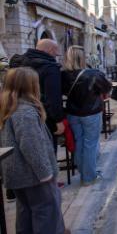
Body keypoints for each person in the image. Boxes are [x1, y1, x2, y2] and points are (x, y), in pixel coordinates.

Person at [0, 67, 66, 234]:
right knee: (46, 212)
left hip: (18, 173)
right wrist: (45, 174)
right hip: (33, 175)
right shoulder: (25, 112)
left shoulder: (9, 107)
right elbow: (31, 146)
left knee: (26, 213)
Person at [61, 46, 112, 186]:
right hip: (91, 112)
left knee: (79, 142)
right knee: (90, 143)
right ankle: (88, 177)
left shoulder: (63, 75)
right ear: (83, 57)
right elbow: (107, 88)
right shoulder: (93, 73)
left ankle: (84, 171)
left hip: (73, 113)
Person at [9, 39, 65, 153]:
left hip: (16, 112)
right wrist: (58, 120)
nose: (56, 56)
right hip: (44, 116)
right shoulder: (50, 68)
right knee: (47, 151)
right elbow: (53, 97)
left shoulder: (18, 63)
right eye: (56, 53)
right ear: (50, 50)